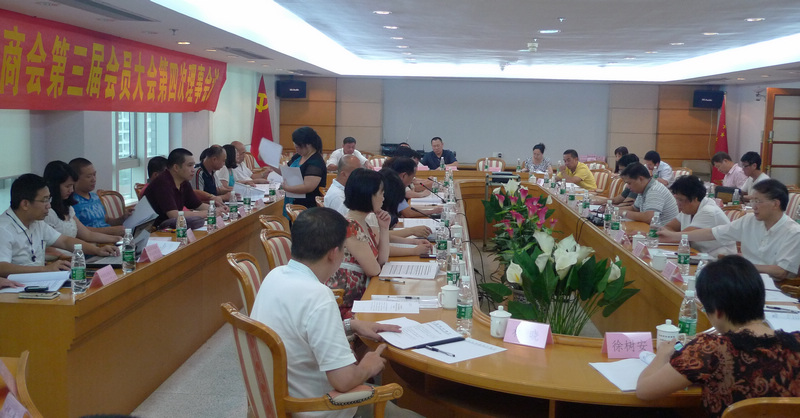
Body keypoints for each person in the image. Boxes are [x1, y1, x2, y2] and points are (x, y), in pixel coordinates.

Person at [249, 207, 419, 418]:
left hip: (285, 397)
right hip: (320, 408)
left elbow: (299, 331)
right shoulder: (318, 296)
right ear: (334, 253)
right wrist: (367, 366)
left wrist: (350, 325)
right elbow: (343, 381)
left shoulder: (274, 276)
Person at [636, 255, 800, 418]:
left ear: (718, 312)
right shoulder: (796, 342)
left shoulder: (710, 349)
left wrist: (662, 354)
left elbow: (644, 390)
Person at [658, 179, 800, 280]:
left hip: (773, 287)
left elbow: (781, 271)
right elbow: (712, 233)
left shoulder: (793, 232)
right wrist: (673, 236)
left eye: (758, 201)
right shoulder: (749, 220)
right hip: (744, 279)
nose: (754, 206)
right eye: (752, 201)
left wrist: (741, 265)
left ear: (775, 204)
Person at [0, 174, 118, 277]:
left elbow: (65, 241)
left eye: (49, 199)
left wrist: (97, 250)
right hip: (17, 289)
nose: (49, 206)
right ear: (25, 204)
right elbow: (2, 267)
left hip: (40, 281)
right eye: (44, 200)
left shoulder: (37, 222)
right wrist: (44, 269)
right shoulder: (4, 228)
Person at [325, 168, 391, 318]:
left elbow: (382, 261)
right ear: (368, 194)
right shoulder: (351, 227)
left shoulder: (361, 223)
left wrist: (384, 228)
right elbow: (374, 270)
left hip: (360, 296)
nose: (383, 198)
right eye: (380, 193)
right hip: (346, 303)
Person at [42, 161, 121, 248]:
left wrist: (117, 239)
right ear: (54, 186)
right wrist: (96, 250)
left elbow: (88, 234)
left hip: (76, 253)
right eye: (67, 186)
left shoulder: (68, 208)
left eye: (72, 186)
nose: (71, 190)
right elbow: (53, 246)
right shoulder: (47, 213)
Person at [144, 148, 226, 228]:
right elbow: (174, 215)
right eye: (189, 165)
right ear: (176, 168)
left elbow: (198, 205)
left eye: (193, 165)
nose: (193, 170)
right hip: (154, 230)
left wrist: (218, 209)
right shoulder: (162, 183)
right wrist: (208, 213)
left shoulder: (184, 182)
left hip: (173, 227)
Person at [660, 175, 737, 256]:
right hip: (698, 254)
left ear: (695, 198)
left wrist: (669, 235)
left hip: (719, 257)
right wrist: (669, 234)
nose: (677, 203)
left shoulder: (708, 211)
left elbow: (681, 238)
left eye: (680, 200)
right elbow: (669, 227)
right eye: (677, 199)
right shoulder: (688, 208)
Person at [68, 158, 129, 236]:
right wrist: (110, 231)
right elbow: (79, 230)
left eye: (94, 175)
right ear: (75, 179)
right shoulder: (72, 202)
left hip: (111, 237)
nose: (94, 179)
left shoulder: (95, 197)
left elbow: (107, 221)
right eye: (88, 176)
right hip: (94, 241)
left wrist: (123, 218)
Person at [272, 127, 327, 209]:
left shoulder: (316, 162)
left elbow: (308, 187)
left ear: (308, 145)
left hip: (307, 206)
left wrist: (288, 188)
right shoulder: (298, 156)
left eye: (298, 147)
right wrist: (269, 162)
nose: (296, 150)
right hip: (292, 202)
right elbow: (285, 171)